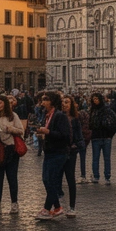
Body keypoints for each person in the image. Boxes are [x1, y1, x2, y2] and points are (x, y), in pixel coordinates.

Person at [35, 91, 72, 220]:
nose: (42, 102)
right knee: (46, 180)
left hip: (59, 152)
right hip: (49, 151)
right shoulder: (47, 115)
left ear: (52, 101)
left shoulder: (59, 116)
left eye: (45, 99)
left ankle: (46, 209)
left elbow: (65, 135)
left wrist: (48, 132)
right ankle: (57, 207)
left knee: (51, 180)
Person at [0, 96, 26, 215]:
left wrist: (8, 129)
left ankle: (14, 203)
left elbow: (21, 130)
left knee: (12, 178)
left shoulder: (13, 116)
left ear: (5, 104)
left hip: (11, 149)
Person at [59, 95, 86, 216]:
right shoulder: (58, 117)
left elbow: (79, 136)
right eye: (63, 102)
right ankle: (57, 203)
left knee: (70, 178)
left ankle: (72, 206)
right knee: (55, 178)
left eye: (67, 102)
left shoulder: (75, 120)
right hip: (58, 151)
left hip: (70, 152)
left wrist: (76, 146)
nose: (64, 104)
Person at [88, 92, 116, 185]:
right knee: (95, 158)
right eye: (94, 99)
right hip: (96, 137)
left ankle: (107, 176)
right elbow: (89, 123)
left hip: (106, 137)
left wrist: (110, 135)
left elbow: (114, 121)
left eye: (97, 99)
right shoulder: (92, 110)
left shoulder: (107, 110)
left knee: (107, 158)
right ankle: (96, 176)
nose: (95, 101)